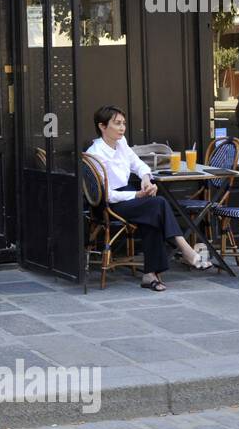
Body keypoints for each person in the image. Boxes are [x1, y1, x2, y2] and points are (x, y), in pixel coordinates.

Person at [84, 105, 209, 292]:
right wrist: (137, 194)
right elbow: (107, 194)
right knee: (157, 204)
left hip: (129, 196)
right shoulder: (95, 153)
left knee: (154, 212)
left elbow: (138, 163)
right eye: (117, 124)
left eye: (123, 124)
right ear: (102, 126)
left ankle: (150, 275)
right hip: (110, 203)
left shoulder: (121, 143)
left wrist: (145, 178)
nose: (122, 128)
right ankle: (185, 250)